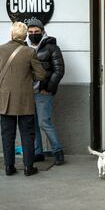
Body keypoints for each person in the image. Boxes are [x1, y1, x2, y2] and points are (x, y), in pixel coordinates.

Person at [0, 22, 46, 176]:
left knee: (7, 134)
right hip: (25, 99)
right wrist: (29, 77)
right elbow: (41, 74)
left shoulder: (1, 49)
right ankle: (29, 168)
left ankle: (9, 167)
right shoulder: (29, 52)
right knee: (28, 134)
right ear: (25, 35)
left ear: (11, 34)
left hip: (6, 99)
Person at [26, 18, 65, 165]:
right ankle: (37, 152)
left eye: (36, 31)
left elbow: (59, 70)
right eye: (30, 32)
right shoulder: (24, 47)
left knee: (44, 122)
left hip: (43, 93)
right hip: (27, 93)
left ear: (42, 32)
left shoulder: (51, 47)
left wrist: (48, 88)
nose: (33, 34)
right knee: (32, 123)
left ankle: (58, 151)